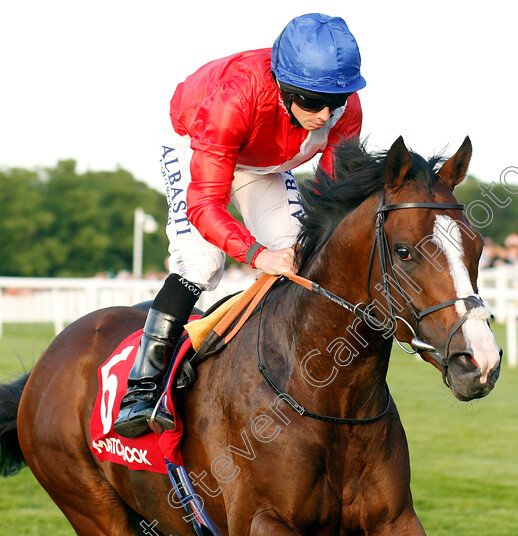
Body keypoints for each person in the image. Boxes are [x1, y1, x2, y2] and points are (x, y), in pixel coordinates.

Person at [113, 13, 366, 438]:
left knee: (297, 253)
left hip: (266, 155)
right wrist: (254, 253)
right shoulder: (233, 99)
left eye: (334, 101)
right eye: (310, 101)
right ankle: (141, 391)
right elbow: (205, 204)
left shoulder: (345, 108)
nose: (324, 115)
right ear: (285, 86)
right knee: (202, 263)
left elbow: (332, 196)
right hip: (197, 135)